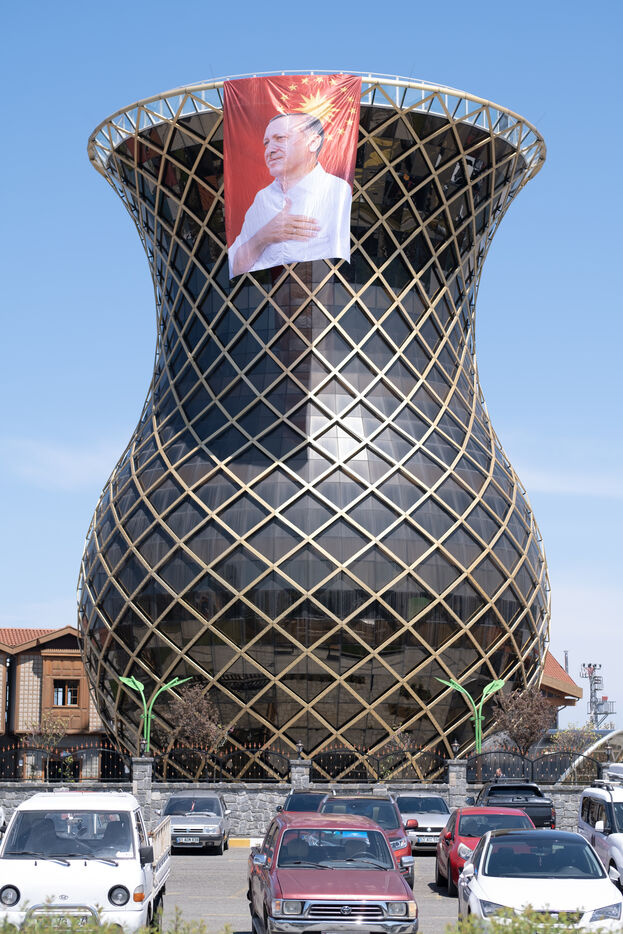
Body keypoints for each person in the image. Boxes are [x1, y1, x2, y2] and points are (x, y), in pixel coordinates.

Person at [229, 112, 353, 276]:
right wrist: (263, 236)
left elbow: (337, 258)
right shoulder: (263, 198)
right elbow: (234, 266)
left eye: (280, 138)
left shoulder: (336, 190)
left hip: (328, 288)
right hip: (268, 289)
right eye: (266, 143)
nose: (269, 150)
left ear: (313, 142)